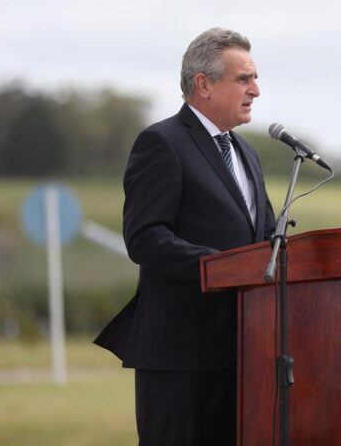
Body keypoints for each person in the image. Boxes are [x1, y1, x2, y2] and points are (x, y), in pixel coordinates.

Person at [94, 27, 276, 446]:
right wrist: (221, 269)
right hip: (179, 353)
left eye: (255, 78)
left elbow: (262, 237)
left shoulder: (245, 152)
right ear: (203, 84)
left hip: (243, 348)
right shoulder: (162, 142)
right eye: (244, 79)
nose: (256, 90)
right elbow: (145, 237)